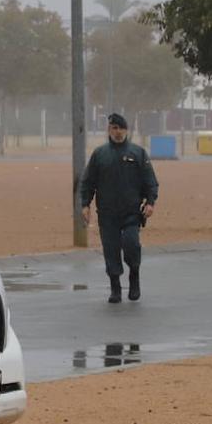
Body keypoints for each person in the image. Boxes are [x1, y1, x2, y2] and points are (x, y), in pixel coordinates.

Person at [80, 113, 158, 303]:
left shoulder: (138, 153)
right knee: (111, 249)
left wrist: (150, 202)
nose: (118, 132)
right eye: (114, 128)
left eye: (121, 128)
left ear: (126, 130)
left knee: (132, 245)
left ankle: (134, 276)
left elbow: (150, 181)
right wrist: (85, 204)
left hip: (131, 212)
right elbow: (88, 182)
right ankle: (115, 287)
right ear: (109, 130)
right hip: (107, 214)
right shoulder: (100, 154)